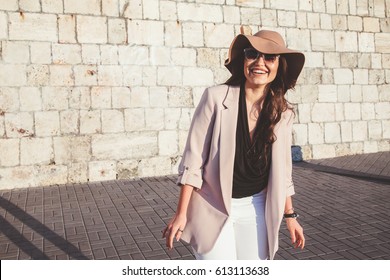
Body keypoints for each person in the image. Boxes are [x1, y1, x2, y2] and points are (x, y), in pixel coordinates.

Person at [162, 28, 305, 260]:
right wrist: (181, 214)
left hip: (258, 207)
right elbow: (193, 160)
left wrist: (290, 216)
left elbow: (284, 171)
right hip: (213, 204)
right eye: (252, 54)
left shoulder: (284, 113)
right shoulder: (216, 98)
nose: (260, 62)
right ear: (243, 60)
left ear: (280, 65)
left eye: (270, 57)